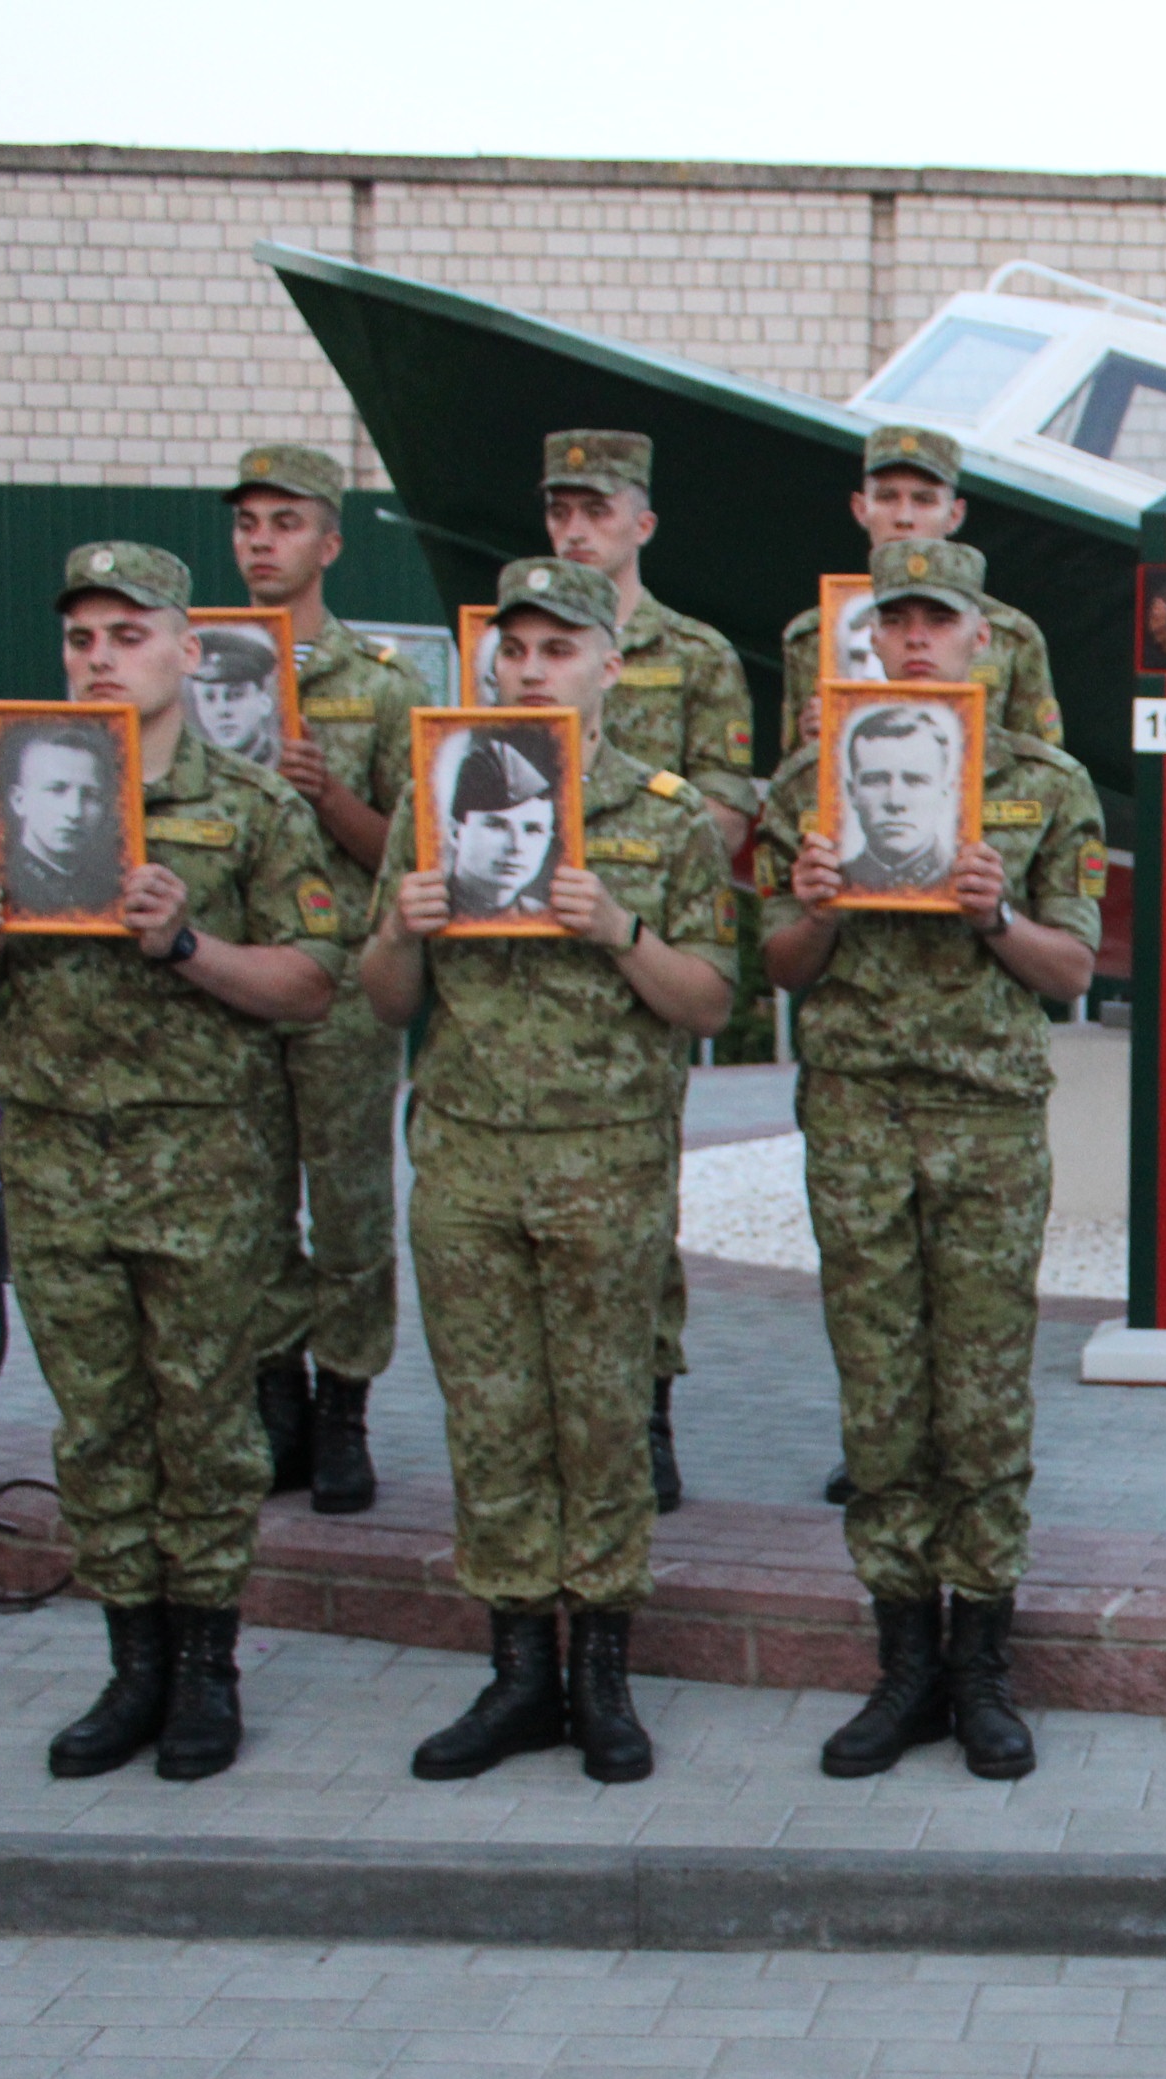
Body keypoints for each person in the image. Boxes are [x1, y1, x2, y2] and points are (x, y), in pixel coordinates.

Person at [0, 542, 346, 1783]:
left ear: (186, 649)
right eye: (81, 640)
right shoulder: (14, 790)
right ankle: (131, 1668)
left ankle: (207, 1673)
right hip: (58, 1162)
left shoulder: (256, 808)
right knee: (99, 1427)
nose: (101, 659)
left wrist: (186, 944)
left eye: (126, 635)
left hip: (201, 1170)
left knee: (208, 1431)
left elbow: (313, 985)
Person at [359, 558, 738, 1786]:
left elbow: (713, 1000)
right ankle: (518, 1672)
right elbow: (383, 1001)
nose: (531, 669)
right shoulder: (437, 802)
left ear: (609, 666)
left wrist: (615, 928)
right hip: (467, 1159)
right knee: (491, 1421)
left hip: (605, 1164)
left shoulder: (667, 817)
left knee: (601, 1421)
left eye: (557, 649)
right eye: (513, 650)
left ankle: (604, 1680)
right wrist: (401, 931)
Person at [759, 538, 1104, 1782]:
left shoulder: (1048, 785)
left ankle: (983, 1662)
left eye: (937, 623)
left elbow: (1073, 970)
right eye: (894, 622)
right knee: (881, 1390)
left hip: (985, 1117)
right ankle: (902, 1659)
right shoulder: (812, 777)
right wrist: (815, 908)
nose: (914, 641)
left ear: (983, 639)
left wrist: (994, 912)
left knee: (984, 1389)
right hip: (856, 1113)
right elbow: (777, 973)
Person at [539, 427, 755, 1514]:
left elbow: (724, 805)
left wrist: (628, 839)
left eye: (596, 510)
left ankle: (651, 1401)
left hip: (646, 945)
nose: (577, 529)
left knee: (639, 1197)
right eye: (561, 511)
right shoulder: (519, 640)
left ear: (641, 523)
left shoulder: (698, 653)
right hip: (525, 962)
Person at [223, 442, 422, 1518]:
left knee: (347, 1207)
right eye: (248, 523)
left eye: (285, 522)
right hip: (236, 975)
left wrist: (329, 796)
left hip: (344, 977)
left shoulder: (381, 686)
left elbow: (415, 843)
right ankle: (278, 1398)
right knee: (252, 1203)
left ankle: (345, 1407)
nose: (263, 541)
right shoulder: (195, 664)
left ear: (329, 542)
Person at [778, 426, 1068, 752]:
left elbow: (1043, 770)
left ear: (954, 514)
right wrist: (810, 746)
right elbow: (791, 778)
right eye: (887, 497)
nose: (904, 518)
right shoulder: (812, 636)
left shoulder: (1012, 635)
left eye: (924, 500)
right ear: (861, 509)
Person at [0, 719, 126, 915]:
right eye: (56, 790)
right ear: (19, 801)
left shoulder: (110, 890)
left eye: (90, 795)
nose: (74, 812)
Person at [835, 702, 965, 892]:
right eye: (876, 781)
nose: (895, 801)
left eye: (915, 781)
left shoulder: (963, 881)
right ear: (852, 792)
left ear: (945, 794)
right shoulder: (835, 881)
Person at [441, 733, 563, 916]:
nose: (516, 846)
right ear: (455, 832)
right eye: (497, 826)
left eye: (533, 830)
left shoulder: (544, 918)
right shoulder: (425, 910)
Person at [186, 633, 285, 766]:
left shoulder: (283, 762)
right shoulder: (189, 767)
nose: (222, 710)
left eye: (236, 695)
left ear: (264, 703)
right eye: (209, 698)